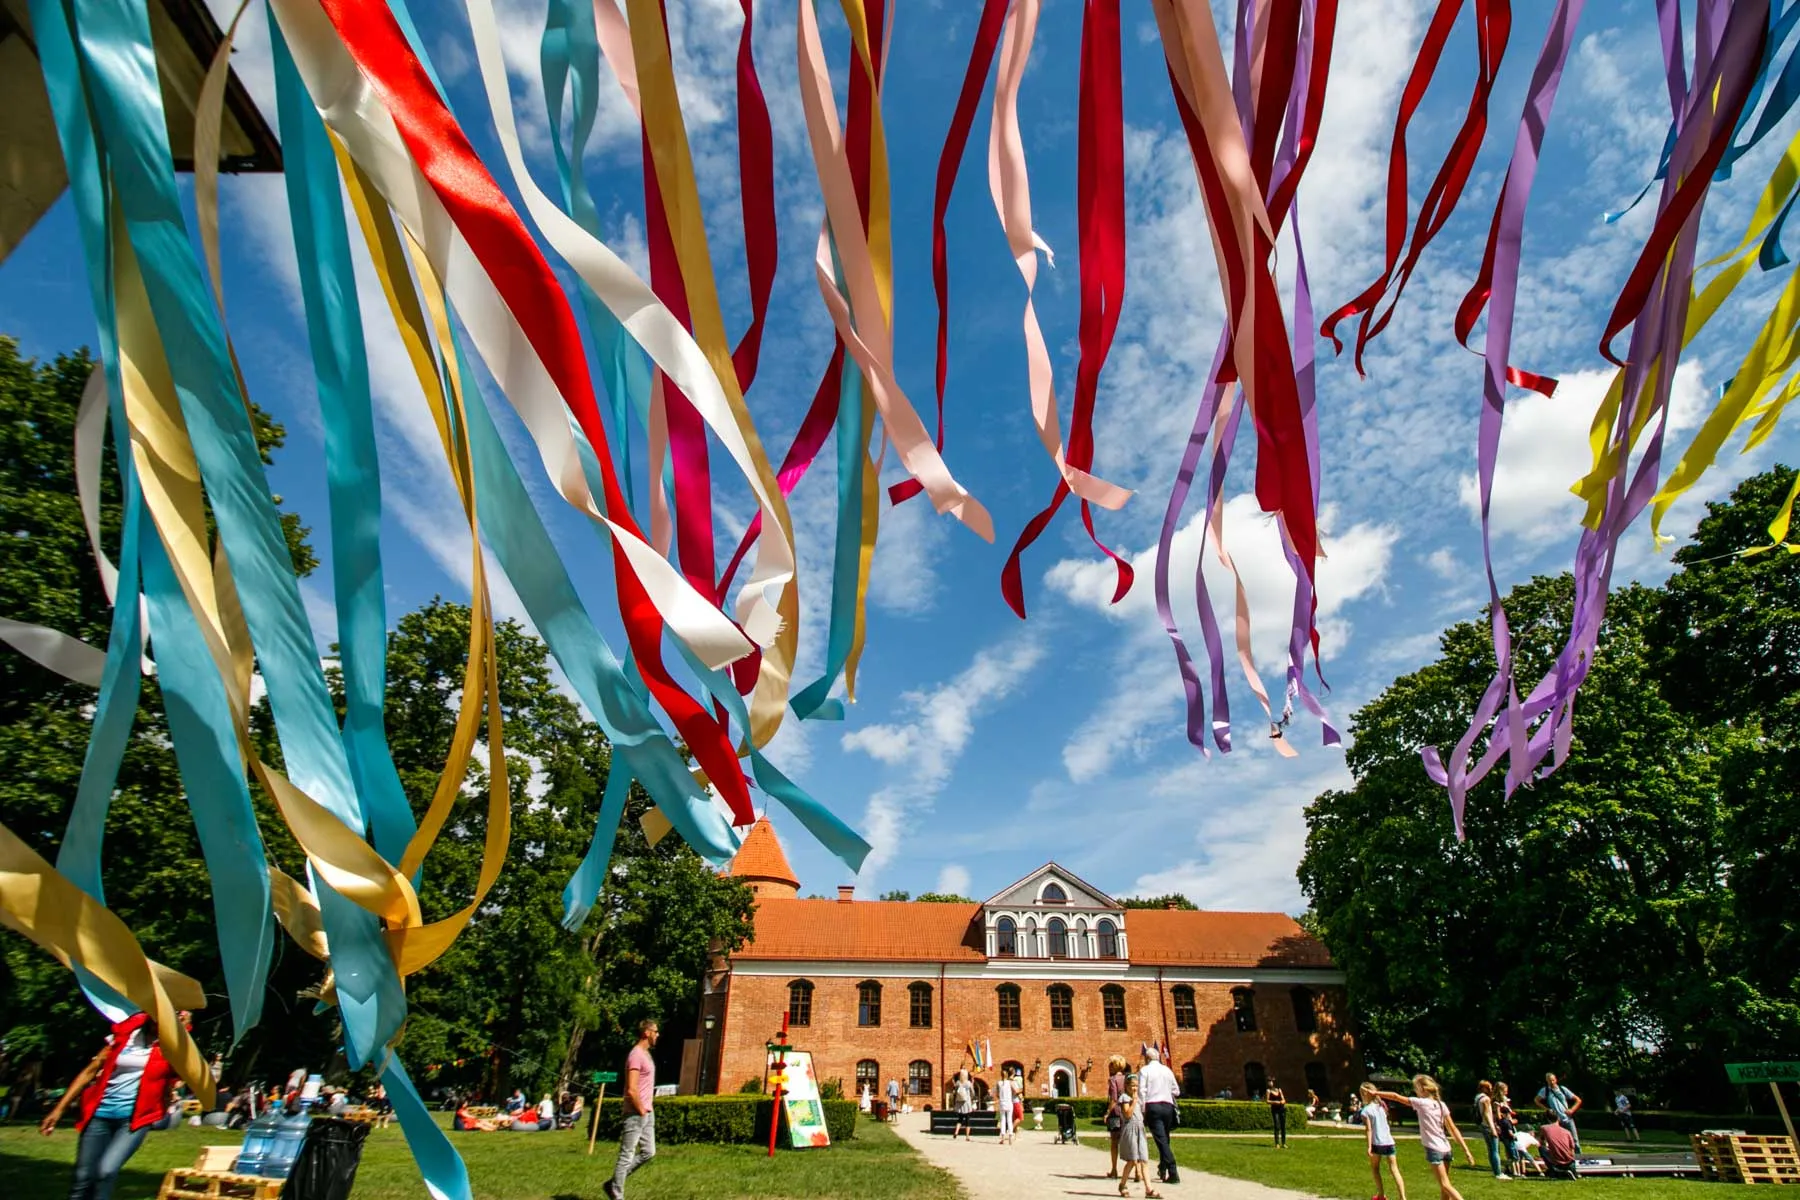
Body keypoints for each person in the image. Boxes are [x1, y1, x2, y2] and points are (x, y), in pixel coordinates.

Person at [39, 1010, 192, 1200]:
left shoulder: (172, 1047)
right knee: (82, 1177)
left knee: (106, 1171)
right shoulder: (125, 1035)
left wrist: (182, 1032)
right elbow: (90, 1071)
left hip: (134, 1121)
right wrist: (58, 1110)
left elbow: (187, 1072)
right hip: (99, 1114)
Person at [1375, 1075, 1473, 1200]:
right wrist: (1466, 1150)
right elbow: (1453, 1129)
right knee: (1444, 1188)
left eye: (1416, 1088)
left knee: (1445, 1185)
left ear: (1423, 1089)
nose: (1415, 1091)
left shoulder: (1420, 1103)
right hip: (1446, 1149)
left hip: (1434, 1149)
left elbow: (1395, 1096)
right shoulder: (1441, 1105)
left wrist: (1375, 1092)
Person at [605, 1018, 659, 1200]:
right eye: (656, 1031)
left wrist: (647, 1111)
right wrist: (641, 1109)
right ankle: (617, 1194)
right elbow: (631, 1088)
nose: (658, 1035)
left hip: (647, 1112)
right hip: (636, 1112)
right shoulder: (635, 1055)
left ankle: (613, 1183)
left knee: (649, 1152)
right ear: (647, 1033)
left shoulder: (646, 1055)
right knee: (626, 1155)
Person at [1138, 1046, 1181, 1185]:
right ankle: (1163, 1168)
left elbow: (1141, 1092)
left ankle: (1173, 1172)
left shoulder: (1145, 1070)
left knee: (1161, 1141)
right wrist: (1165, 1091)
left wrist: (1142, 1110)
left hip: (1153, 1106)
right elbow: (1176, 1091)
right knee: (1165, 1139)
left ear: (1148, 1058)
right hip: (1168, 1106)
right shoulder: (1167, 1070)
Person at [1360, 1083, 1406, 1200]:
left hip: (1377, 1143)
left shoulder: (1366, 1111)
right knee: (1394, 1169)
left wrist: (1369, 1146)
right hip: (1389, 1141)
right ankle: (1402, 1197)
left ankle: (1381, 1194)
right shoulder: (1382, 1107)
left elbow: (1369, 1130)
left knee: (1375, 1168)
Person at [1117, 1076, 1160, 1198]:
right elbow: (1127, 1115)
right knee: (1132, 1160)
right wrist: (1134, 1101)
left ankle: (1149, 1189)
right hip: (1130, 1130)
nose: (1134, 1088)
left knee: (1144, 1160)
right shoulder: (1125, 1098)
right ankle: (1123, 1184)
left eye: (1136, 1086)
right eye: (1132, 1086)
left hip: (1140, 1129)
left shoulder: (1138, 1098)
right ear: (1126, 1086)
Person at [1535, 1073, 1582, 1152]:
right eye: (1550, 1081)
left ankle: (1579, 1157)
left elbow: (1578, 1100)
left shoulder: (1562, 1089)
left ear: (1556, 1080)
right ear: (1547, 1081)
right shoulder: (1545, 1090)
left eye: (1553, 1080)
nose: (1552, 1082)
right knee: (1558, 1141)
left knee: (1574, 1141)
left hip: (1567, 1118)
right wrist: (1546, 1109)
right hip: (1555, 1120)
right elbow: (1536, 1100)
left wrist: (1572, 1110)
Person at [1474, 1080, 1511, 1179]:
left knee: (1491, 1150)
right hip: (1488, 1126)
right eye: (1489, 1087)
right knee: (1495, 1150)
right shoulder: (1485, 1099)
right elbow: (1487, 1114)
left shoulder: (1477, 1097)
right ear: (1484, 1088)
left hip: (1482, 1125)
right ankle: (1498, 1173)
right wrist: (1493, 1128)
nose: (1491, 1089)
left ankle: (1496, 1171)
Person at [1105, 1055, 1129, 1178]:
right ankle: (1138, 1172)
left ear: (1114, 1066)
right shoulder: (1128, 1079)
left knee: (1114, 1141)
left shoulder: (1113, 1079)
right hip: (1127, 1113)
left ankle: (1114, 1170)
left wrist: (1107, 1113)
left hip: (1115, 1114)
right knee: (1131, 1142)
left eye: (1110, 1065)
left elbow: (1113, 1099)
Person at [951, 1070, 975, 1140]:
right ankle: (967, 1136)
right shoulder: (968, 1083)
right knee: (967, 1120)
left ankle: (956, 1132)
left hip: (959, 1103)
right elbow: (973, 1093)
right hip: (966, 1103)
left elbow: (955, 1090)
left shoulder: (958, 1083)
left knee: (960, 1119)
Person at [996, 1068, 1016, 1145]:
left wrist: (1001, 1097)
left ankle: (1003, 1138)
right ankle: (1010, 1138)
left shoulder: (999, 1083)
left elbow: (997, 1094)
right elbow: (1014, 1091)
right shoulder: (1010, 1082)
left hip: (1002, 1103)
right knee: (1009, 1120)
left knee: (1003, 1120)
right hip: (1009, 1102)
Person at [1268, 1077, 1289, 1148]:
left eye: (1271, 1081)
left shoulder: (1279, 1090)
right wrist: (1275, 1102)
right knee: (1277, 1126)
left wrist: (1283, 1101)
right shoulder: (1268, 1091)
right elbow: (1267, 1101)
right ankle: (1277, 1143)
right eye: (1269, 1081)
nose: (1270, 1082)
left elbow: (1283, 1099)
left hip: (1282, 1108)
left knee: (1283, 1126)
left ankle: (1283, 1143)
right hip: (1275, 1110)